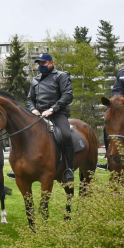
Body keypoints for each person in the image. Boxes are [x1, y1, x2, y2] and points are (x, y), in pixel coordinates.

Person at [26, 53, 75, 182]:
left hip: (58, 114)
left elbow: (67, 96)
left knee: (66, 135)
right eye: (39, 63)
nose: (40, 65)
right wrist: (33, 109)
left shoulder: (62, 76)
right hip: (38, 115)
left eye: (43, 63)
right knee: (24, 135)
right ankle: (22, 168)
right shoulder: (35, 80)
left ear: (51, 63)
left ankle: (69, 168)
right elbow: (29, 99)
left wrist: (52, 109)